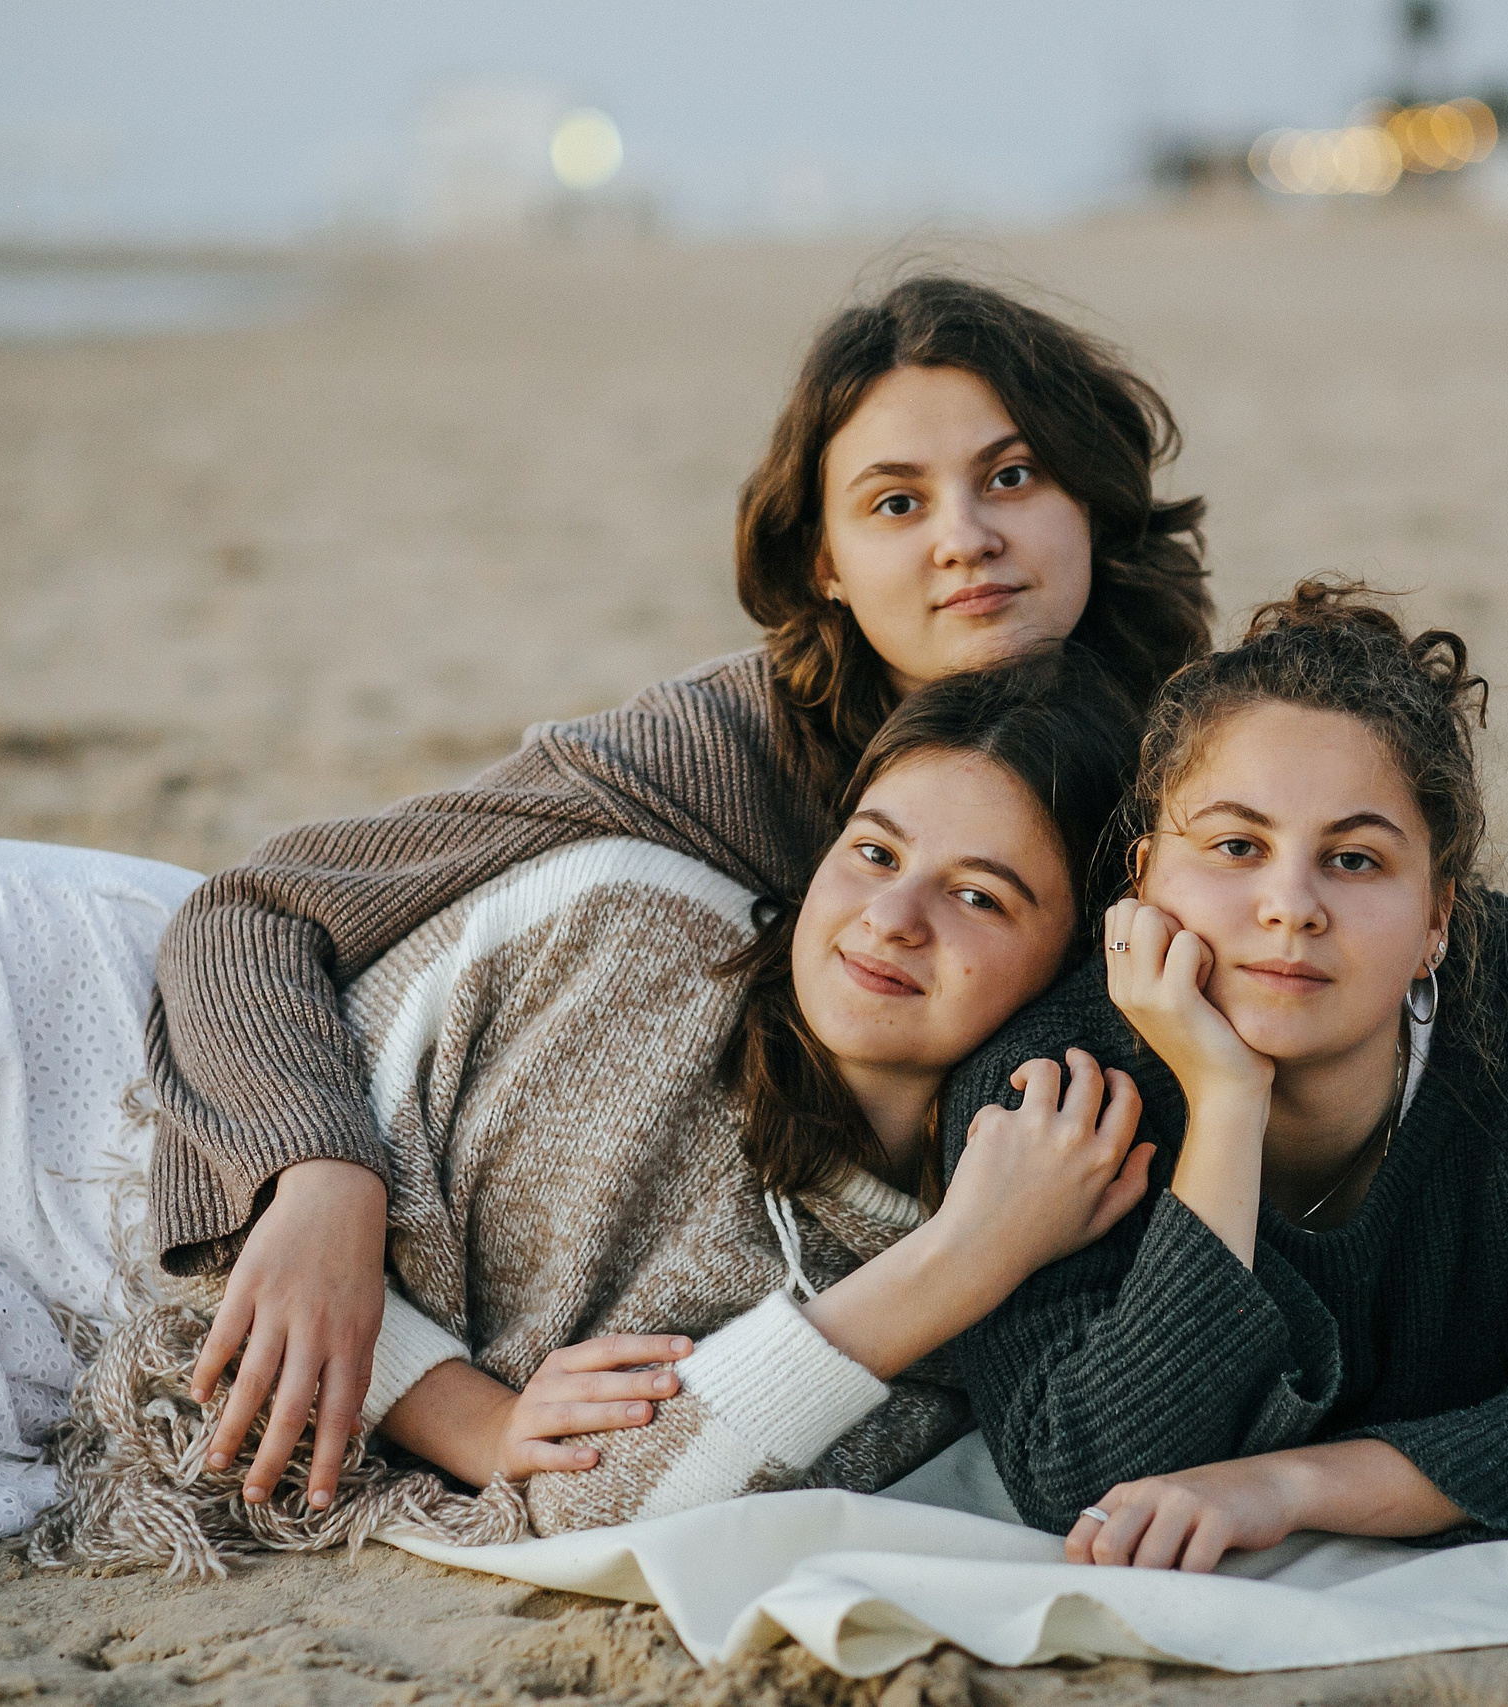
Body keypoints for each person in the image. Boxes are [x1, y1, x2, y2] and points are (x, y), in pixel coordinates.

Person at [149, 273, 1211, 1515]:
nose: (962, 536)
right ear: (823, 560)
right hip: (306, 1061)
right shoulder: (719, 748)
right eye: (894, 502)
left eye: (1013, 476)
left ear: (1092, 497)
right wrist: (318, 1176)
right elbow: (253, 913)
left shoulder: (1194, 774)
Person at [37, 653, 1154, 1567]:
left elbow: (598, 1503)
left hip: (63, 1315)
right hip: (75, 1050)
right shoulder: (632, 935)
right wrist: (472, 1417)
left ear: (1072, 969)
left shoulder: (995, 1241)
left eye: (976, 896)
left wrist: (963, 1258)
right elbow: (263, 1250)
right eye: (872, 852)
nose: (893, 917)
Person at [937, 579, 1508, 1574]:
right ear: (1142, 875)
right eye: (1235, 846)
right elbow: (1083, 1476)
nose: (1290, 906)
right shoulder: (1050, 1087)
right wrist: (1227, 1101)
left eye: (1353, 861)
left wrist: (1288, 1485)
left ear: (1437, 918)